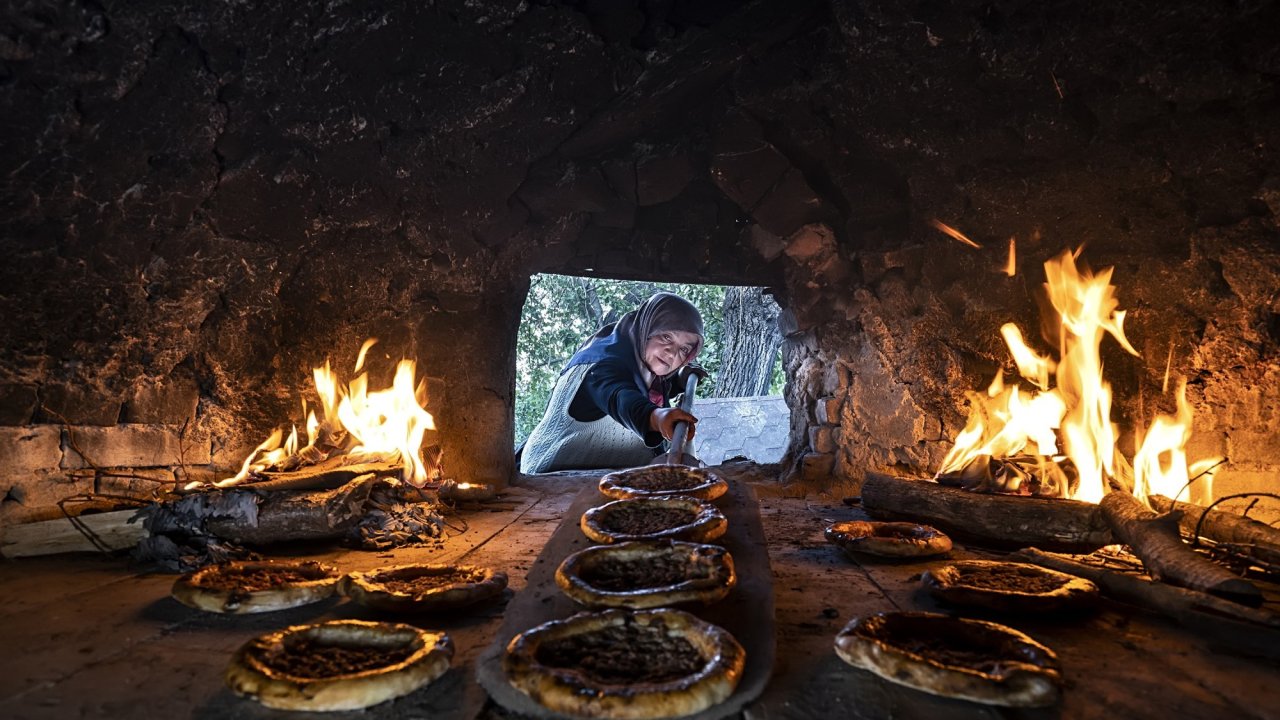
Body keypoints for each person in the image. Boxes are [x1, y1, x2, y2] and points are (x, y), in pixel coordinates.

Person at [519, 291, 705, 474]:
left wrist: (680, 379)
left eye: (684, 349)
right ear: (647, 328)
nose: (672, 353)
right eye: (666, 337)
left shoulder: (645, 366)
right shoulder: (600, 366)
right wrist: (656, 417)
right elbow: (620, 397)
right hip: (550, 476)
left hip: (601, 474)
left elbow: (642, 386)